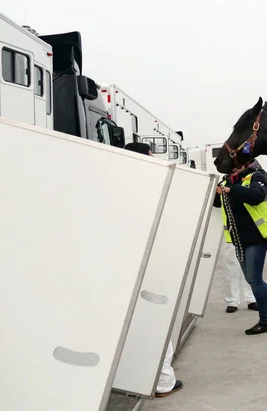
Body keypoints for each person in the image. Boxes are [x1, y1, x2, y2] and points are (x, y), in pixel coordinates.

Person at [123, 142, 183, 398]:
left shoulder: (121, 183)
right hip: (150, 265)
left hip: (128, 265)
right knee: (157, 321)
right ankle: (162, 382)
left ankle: (137, 375)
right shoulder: (151, 185)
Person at [213, 160, 267, 335]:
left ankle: (265, 320)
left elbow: (256, 196)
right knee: (254, 279)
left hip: (256, 236)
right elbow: (217, 203)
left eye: (236, 166)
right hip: (238, 238)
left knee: (254, 279)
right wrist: (218, 192)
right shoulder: (228, 180)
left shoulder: (257, 176)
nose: (233, 169)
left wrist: (231, 189)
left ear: (246, 164)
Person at [221, 241, 258, 313]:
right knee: (230, 263)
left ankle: (252, 298)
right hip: (230, 233)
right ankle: (232, 301)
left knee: (250, 261)